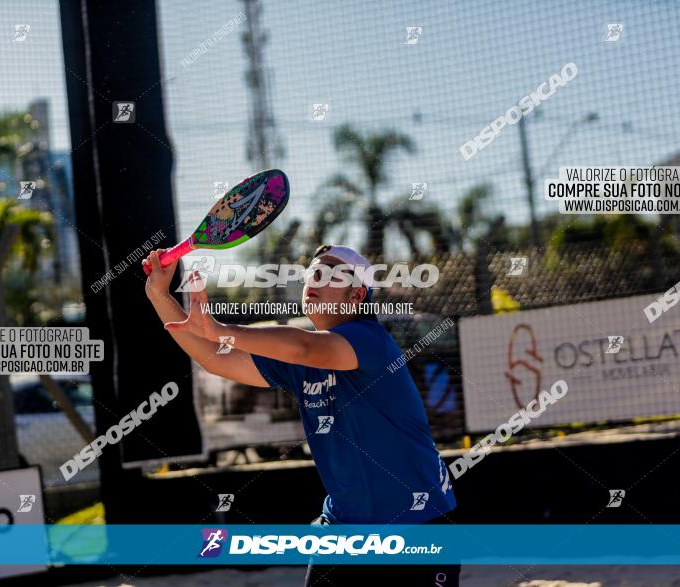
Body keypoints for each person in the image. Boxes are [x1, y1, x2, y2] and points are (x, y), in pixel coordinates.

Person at [145, 244, 460, 586]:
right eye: (313, 272)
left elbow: (303, 347)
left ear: (356, 296)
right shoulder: (302, 362)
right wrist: (160, 295)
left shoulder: (371, 340)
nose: (316, 278)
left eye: (331, 274)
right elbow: (216, 359)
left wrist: (220, 329)